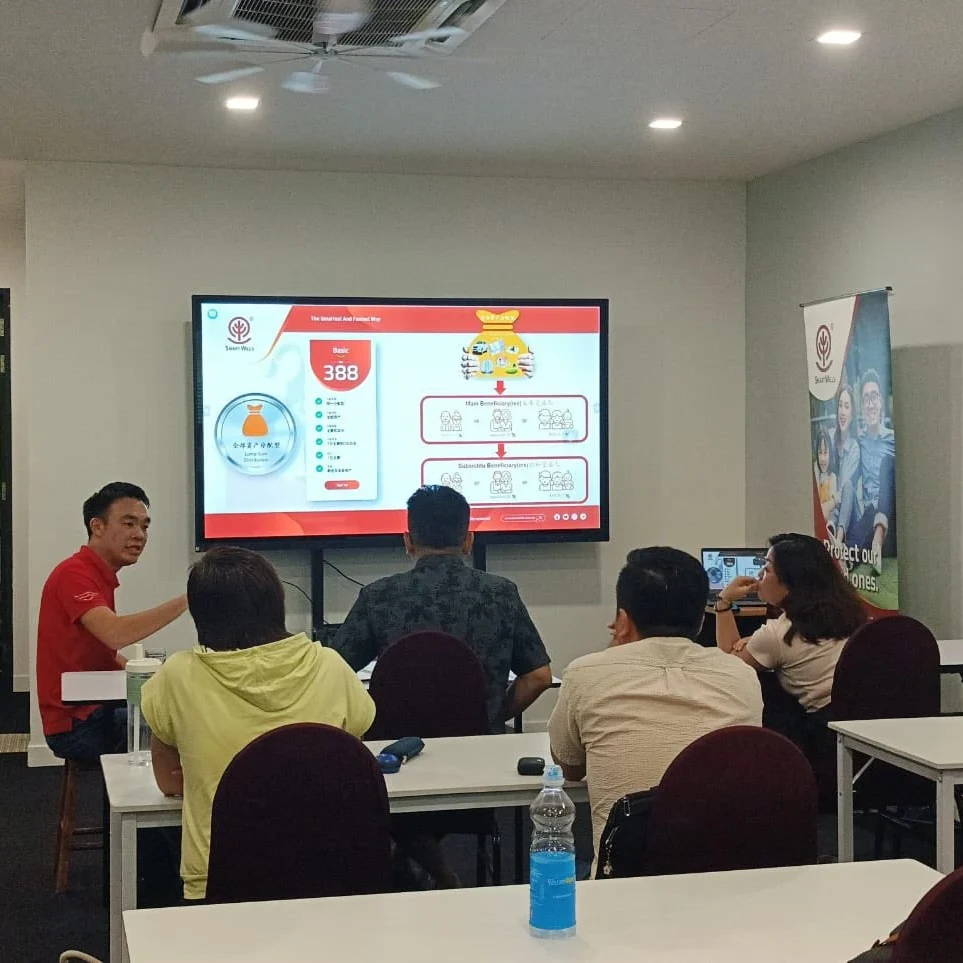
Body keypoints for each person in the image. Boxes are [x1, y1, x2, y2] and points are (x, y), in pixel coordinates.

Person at [141, 546, 375, 901]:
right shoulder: (331, 665)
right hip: (328, 871)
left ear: (199, 616)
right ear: (278, 602)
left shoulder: (176, 676)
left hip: (222, 878)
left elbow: (167, 780)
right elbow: (351, 758)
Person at [548, 547, 762, 868]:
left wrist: (614, 649)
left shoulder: (584, 673)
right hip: (726, 876)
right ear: (700, 620)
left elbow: (569, 768)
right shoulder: (741, 675)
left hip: (626, 879)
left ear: (622, 620)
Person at [332, 485, 553, 732]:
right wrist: (493, 716)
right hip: (480, 744)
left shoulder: (377, 596)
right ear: (468, 541)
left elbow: (331, 673)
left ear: (408, 541)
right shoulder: (501, 593)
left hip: (396, 746)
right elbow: (539, 677)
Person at [38, 482, 188, 761]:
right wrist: (188, 599)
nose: (139, 535)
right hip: (77, 723)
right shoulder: (74, 574)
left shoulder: (96, 574)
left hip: (93, 704)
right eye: (128, 524)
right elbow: (115, 634)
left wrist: (154, 675)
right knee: (183, 727)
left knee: (177, 704)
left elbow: (104, 651)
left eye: (144, 526)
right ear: (97, 526)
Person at [715, 533, 866, 733]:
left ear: (790, 583)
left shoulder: (778, 634)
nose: (759, 574)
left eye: (767, 568)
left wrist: (723, 601)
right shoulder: (848, 611)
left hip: (825, 729)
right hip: (863, 715)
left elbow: (729, 662)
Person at [848, 368, 897, 574]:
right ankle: (850, 558)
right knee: (867, 515)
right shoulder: (859, 444)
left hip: (892, 520)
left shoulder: (893, 439)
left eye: (874, 396)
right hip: (870, 516)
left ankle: (877, 539)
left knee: (887, 464)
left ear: (881, 402)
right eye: (866, 398)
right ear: (862, 406)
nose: (870, 404)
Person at [831, 383, 860, 571]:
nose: (842, 411)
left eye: (847, 406)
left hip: (849, 513)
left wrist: (833, 499)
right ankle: (835, 538)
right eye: (840, 405)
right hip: (833, 508)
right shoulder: (830, 439)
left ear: (852, 413)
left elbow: (842, 491)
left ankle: (838, 541)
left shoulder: (854, 448)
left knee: (848, 486)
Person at [814, 427, 838, 527]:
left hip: (828, 519)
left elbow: (832, 503)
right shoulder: (815, 471)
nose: (823, 458)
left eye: (826, 453)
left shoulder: (832, 476)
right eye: (820, 453)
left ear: (830, 453)